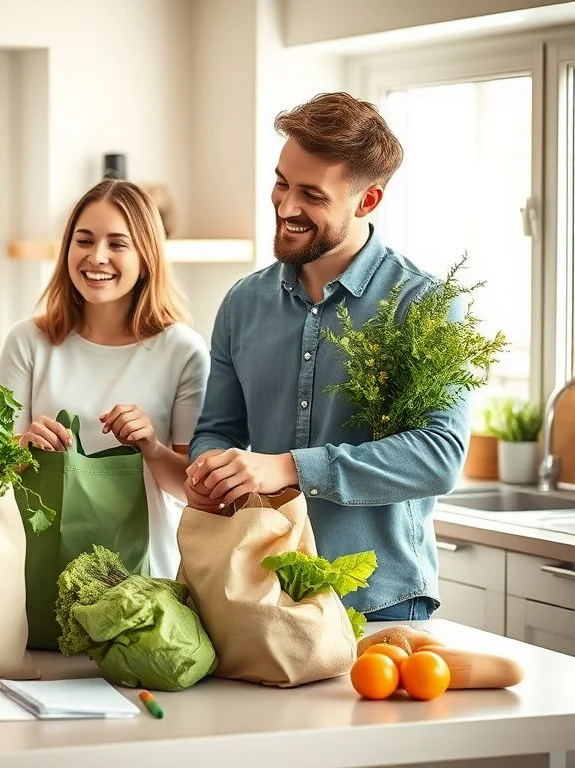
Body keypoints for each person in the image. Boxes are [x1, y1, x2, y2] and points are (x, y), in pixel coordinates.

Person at [186, 92, 470, 621]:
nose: (285, 207)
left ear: (367, 201)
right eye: (281, 183)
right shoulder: (243, 303)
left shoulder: (424, 306)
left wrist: (289, 468)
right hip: (267, 595)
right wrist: (210, 469)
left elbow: (440, 455)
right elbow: (218, 430)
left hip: (381, 604)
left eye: (311, 195)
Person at [0, 179, 210, 578]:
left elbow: (193, 488)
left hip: (145, 576)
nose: (96, 257)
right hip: (41, 567)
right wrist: (24, 447)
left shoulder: (183, 350)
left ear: (146, 256)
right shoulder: (27, 341)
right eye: (84, 240)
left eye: (117, 244)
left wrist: (151, 447)